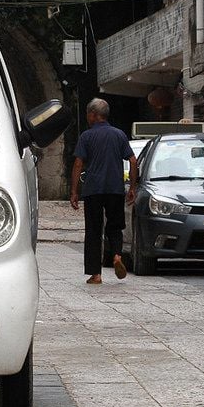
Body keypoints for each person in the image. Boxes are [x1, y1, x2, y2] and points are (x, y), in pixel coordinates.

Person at [69, 98, 137, 284]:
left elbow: (78, 163)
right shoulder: (119, 135)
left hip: (93, 190)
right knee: (115, 226)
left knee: (93, 231)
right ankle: (116, 255)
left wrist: (74, 191)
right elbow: (132, 160)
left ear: (93, 115)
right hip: (115, 189)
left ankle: (96, 274)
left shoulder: (87, 136)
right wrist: (132, 186)